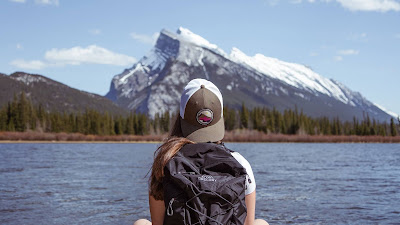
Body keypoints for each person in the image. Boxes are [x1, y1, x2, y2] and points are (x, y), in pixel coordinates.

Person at [134, 79, 268, 225]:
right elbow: (247, 222)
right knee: (260, 222)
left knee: (141, 223)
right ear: (220, 119)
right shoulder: (239, 162)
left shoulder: (165, 160)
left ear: (181, 118)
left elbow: (158, 223)